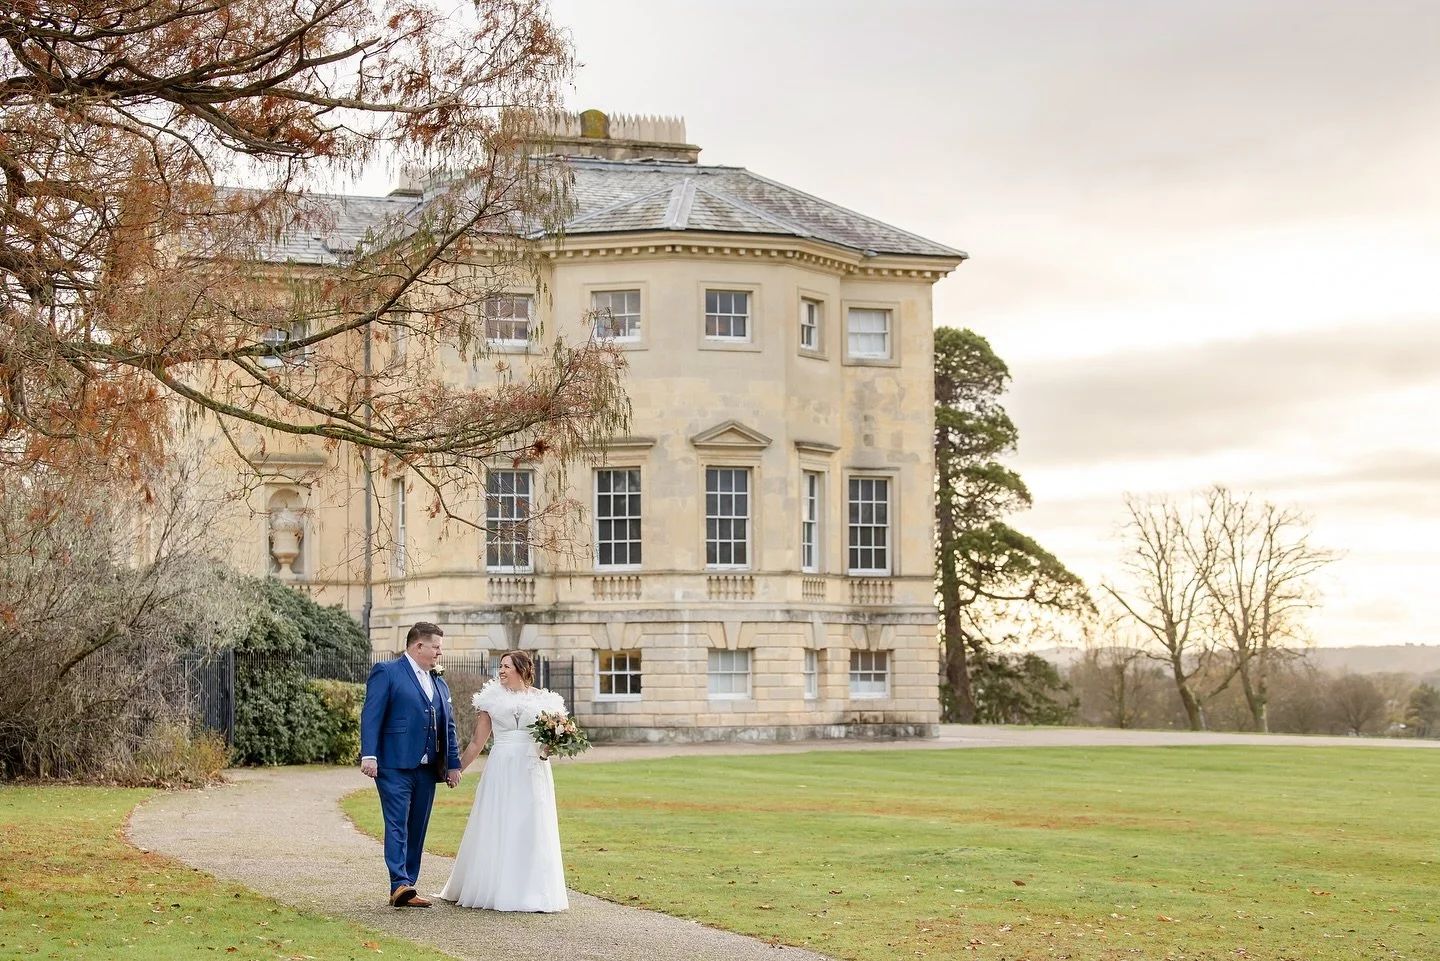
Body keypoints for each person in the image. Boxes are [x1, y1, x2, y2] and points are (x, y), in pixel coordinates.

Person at [438, 650, 569, 912]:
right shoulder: (491, 700)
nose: (501, 671)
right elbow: (477, 742)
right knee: (499, 821)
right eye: (500, 666)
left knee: (531, 823)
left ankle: (531, 890)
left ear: (522, 669)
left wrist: (551, 745)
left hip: (532, 768)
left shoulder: (546, 700)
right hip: (502, 768)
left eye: (506, 666)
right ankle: (494, 885)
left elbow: (548, 744)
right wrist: (456, 769)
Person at [359, 622, 462, 908]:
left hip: (428, 769)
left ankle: (408, 886)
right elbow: (372, 715)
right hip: (393, 765)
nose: (439, 653)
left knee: (418, 826)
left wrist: (453, 765)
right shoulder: (387, 672)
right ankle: (399, 883)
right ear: (419, 646)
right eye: (436, 647)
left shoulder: (438, 681)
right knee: (397, 824)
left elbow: (447, 726)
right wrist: (369, 754)